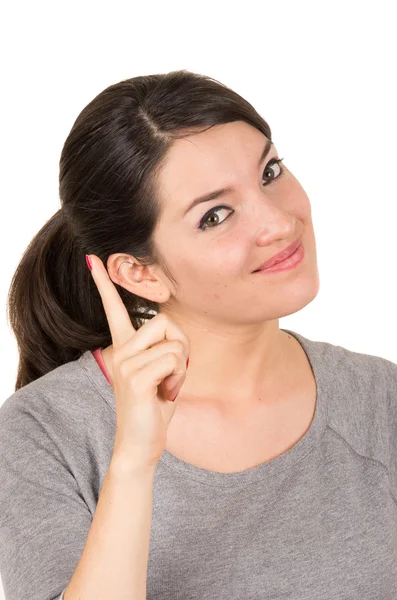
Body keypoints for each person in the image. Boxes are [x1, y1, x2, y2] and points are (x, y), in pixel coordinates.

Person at [1, 70, 397, 600]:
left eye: (270, 171)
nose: (278, 221)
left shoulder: (380, 399)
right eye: (215, 215)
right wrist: (135, 461)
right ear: (140, 273)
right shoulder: (42, 435)